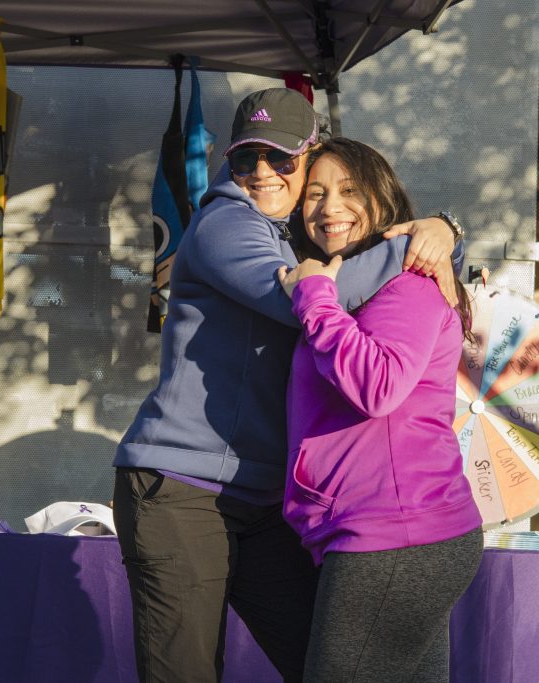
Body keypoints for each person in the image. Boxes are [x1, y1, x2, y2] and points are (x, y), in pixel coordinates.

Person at [112, 87, 465, 683]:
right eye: (246, 157)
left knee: (334, 663)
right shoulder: (227, 221)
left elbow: (352, 279)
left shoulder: (301, 237)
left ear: (310, 154)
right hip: (181, 485)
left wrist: (441, 232)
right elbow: (300, 300)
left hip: (264, 498)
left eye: (281, 158)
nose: (262, 173)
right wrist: (422, 241)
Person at [277, 138, 482, 682]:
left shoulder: (408, 283)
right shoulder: (356, 282)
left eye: (349, 191)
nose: (328, 208)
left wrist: (316, 297)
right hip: (390, 533)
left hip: (396, 532)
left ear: (381, 197)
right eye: (314, 194)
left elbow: (379, 387)